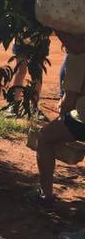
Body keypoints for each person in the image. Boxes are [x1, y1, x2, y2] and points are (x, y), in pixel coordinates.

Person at [33, 29, 85, 207]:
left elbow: (69, 102)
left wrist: (62, 114)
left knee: (45, 137)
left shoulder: (77, 57)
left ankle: (46, 196)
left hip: (83, 116)